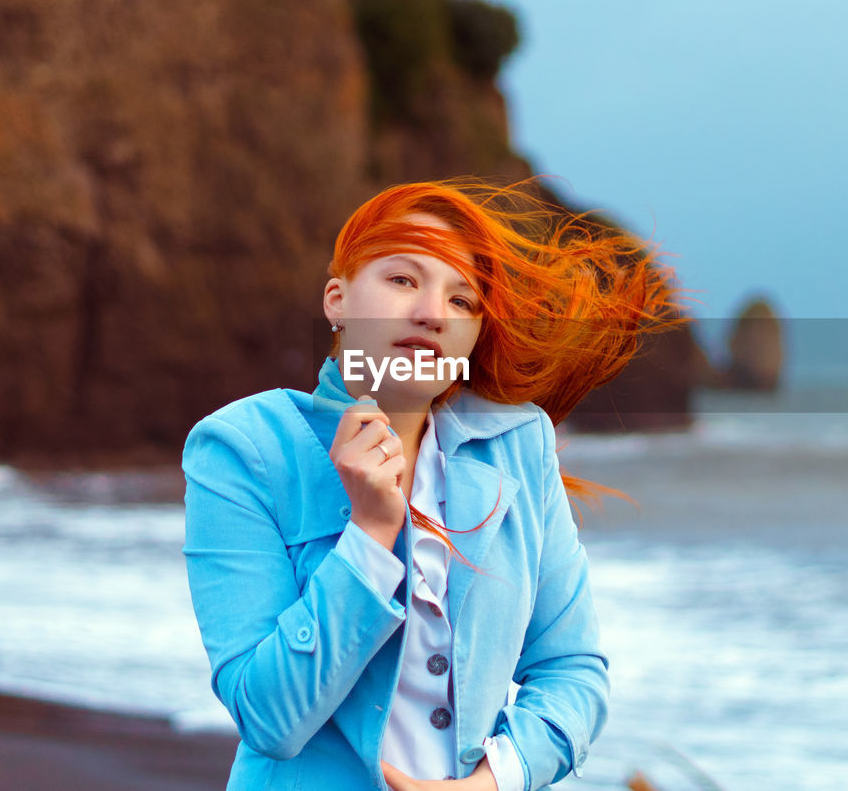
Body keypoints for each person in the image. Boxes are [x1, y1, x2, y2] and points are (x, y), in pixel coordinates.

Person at [182, 179, 682, 790]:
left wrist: (493, 780)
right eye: (402, 280)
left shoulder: (519, 443)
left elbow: (572, 669)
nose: (431, 312)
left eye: (463, 300)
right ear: (337, 300)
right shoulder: (244, 448)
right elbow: (270, 720)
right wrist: (369, 533)